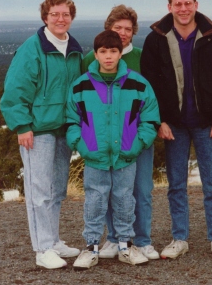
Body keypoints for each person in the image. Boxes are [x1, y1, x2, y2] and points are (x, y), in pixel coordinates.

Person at [140, 0, 212, 259]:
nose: (183, 8)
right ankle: (179, 238)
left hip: (207, 123)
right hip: (174, 124)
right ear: (169, 7)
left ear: (196, 4)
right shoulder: (156, 39)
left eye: (187, 3)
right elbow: (149, 86)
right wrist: (159, 121)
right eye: (177, 3)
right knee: (176, 184)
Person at [0, 0, 82, 269]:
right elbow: (15, 90)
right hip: (37, 130)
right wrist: (22, 126)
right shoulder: (32, 49)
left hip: (63, 128)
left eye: (65, 14)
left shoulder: (75, 49)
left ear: (71, 17)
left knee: (57, 189)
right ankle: (42, 249)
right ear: (45, 17)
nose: (60, 19)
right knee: (39, 190)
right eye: (55, 14)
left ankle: (54, 240)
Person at [66, 30, 160, 269]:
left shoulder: (138, 84)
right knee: (95, 201)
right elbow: (71, 121)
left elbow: (150, 120)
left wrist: (137, 144)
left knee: (124, 201)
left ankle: (125, 246)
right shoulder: (80, 86)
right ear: (95, 54)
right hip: (94, 157)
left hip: (126, 156)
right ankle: (91, 248)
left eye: (113, 51)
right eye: (103, 52)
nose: (108, 57)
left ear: (121, 53)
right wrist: (83, 146)